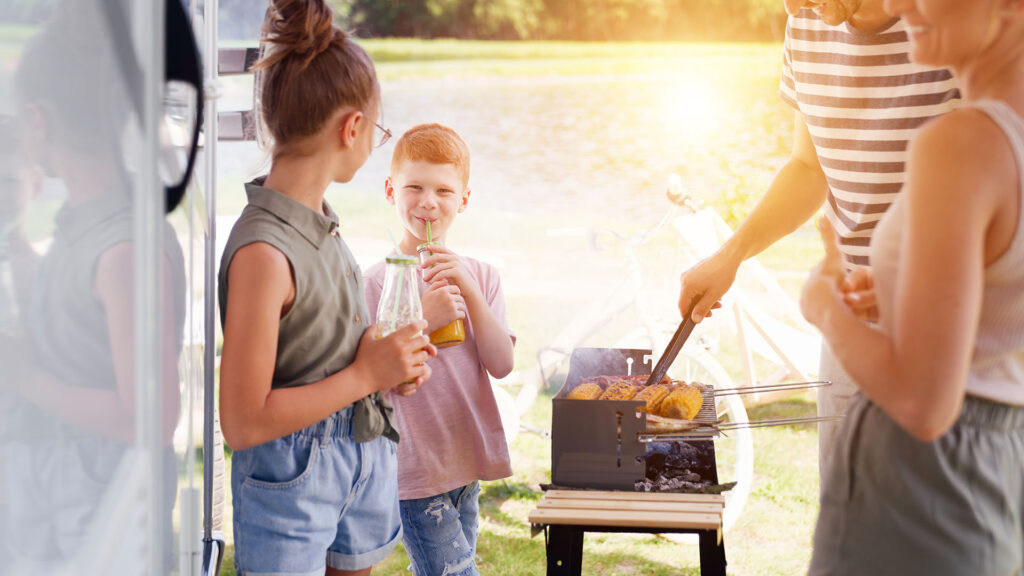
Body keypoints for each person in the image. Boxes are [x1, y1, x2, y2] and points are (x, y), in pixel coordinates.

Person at [677, 0, 959, 467]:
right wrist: (730, 257)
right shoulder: (806, 24)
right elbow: (809, 168)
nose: (793, 3)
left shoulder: (961, 26)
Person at [800, 0, 1024, 572]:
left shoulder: (959, 142)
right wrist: (914, 284)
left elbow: (923, 404)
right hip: (995, 466)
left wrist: (825, 308)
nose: (900, 4)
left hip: (918, 482)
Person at [216, 1, 436, 575]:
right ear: (353, 128)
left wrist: (388, 364)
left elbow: (321, 348)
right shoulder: (265, 252)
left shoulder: (321, 224)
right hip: (292, 482)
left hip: (359, 455)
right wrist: (366, 374)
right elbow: (242, 421)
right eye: (378, 130)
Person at [364, 123, 515, 576]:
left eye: (444, 190)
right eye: (414, 187)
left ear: (463, 199)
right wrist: (422, 319)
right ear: (391, 190)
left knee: (447, 567)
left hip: (463, 455)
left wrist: (468, 289)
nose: (428, 201)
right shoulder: (376, 282)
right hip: (413, 461)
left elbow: (502, 364)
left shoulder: (482, 276)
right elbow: (371, 377)